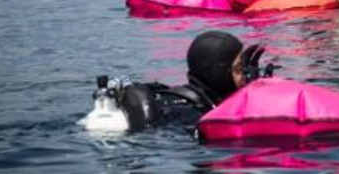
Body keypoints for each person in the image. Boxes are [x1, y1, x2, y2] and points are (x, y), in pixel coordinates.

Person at [113, 31, 270, 132]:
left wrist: (252, 90)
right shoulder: (190, 114)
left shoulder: (188, 100)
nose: (244, 74)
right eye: (237, 69)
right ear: (219, 73)